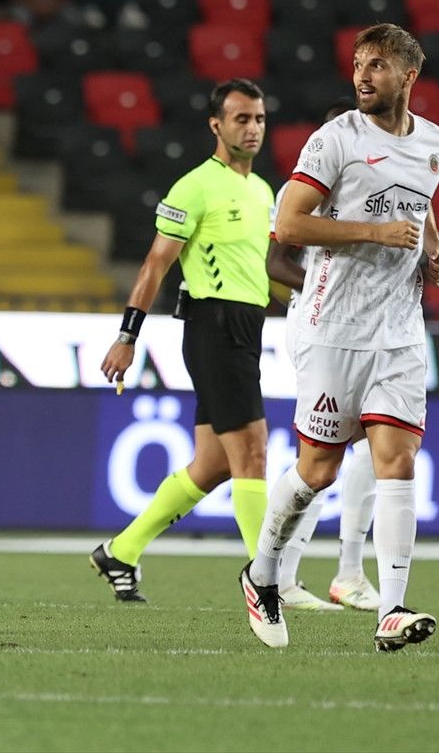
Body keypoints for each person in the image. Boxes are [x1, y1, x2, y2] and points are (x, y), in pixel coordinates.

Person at [240, 23, 439, 651]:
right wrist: (370, 232)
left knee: (397, 462)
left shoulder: (436, 143)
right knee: (318, 470)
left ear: (410, 76)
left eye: (379, 65)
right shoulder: (334, 140)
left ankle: (391, 608)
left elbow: (418, 203)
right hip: (333, 327)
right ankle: (260, 576)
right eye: (359, 64)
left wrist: (434, 253)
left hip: (399, 331)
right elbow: (288, 224)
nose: (363, 74)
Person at [93, 78, 277, 602]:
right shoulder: (194, 186)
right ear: (216, 125)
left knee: (214, 463)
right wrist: (128, 336)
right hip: (212, 326)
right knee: (253, 452)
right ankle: (267, 580)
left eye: (259, 118)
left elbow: (259, 272)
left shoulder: (262, 191)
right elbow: (156, 263)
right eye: (241, 119)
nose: (253, 128)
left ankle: (121, 551)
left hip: (247, 328)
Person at [263, 98, 379, 613]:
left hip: (372, 327)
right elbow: (275, 261)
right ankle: (281, 576)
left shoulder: (377, 187)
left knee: (378, 447)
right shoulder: (300, 190)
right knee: (321, 459)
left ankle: (349, 572)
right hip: (317, 327)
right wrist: (321, 288)